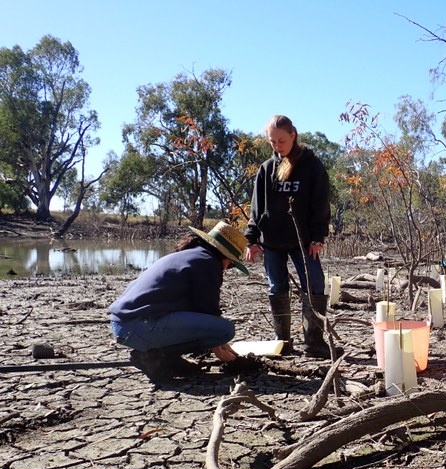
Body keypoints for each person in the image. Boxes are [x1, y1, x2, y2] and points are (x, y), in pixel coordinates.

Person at [108, 221, 249, 382]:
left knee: (219, 330)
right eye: (231, 264)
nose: (227, 268)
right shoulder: (208, 263)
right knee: (225, 329)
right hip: (139, 326)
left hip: (124, 325)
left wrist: (223, 345)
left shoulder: (190, 256)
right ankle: (155, 357)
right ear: (224, 256)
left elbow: (199, 312)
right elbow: (209, 313)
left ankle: (167, 359)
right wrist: (223, 353)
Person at [244, 115, 336, 359]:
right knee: (277, 287)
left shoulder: (312, 165)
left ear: (293, 135)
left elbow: (320, 204)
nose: (277, 145)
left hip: (304, 241)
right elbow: (256, 208)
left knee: (315, 286)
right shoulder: (266, 169)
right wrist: (251, 240)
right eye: (272, 141)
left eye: (281, 140)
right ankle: (283, 343)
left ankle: (314, 343)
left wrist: (318, 237)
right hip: (272, 240)